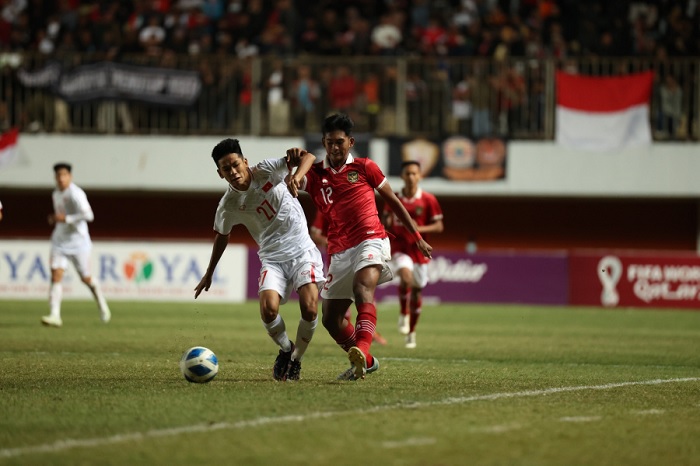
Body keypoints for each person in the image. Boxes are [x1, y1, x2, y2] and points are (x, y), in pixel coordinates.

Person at [286, 113, 432, 381]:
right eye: (329, 142)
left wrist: (417, 236)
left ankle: (362, 349)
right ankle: (366, 361)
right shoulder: (316, 174)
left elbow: (395, 202)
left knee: (362, 288)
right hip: (339, 250)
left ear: (350, 142)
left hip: (371, 238)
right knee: (330, 318)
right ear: (323, 142)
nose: (335, 148)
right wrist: (294, 169)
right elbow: (294, 179)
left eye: (340, 142)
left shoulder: (366, 167)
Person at [194, 138, 325, 382]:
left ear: (245, 162)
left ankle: (296, 360)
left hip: (302, 251)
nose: (233, 172)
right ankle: (286, 349)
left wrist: (296, 176)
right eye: (226, 169)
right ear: (220, 174)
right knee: (268, 310)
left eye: (235, 165)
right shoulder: (228, 205)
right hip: (272, 258)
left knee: (309, 307)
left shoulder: (266, 169)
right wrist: (209, 272)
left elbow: (308, 157)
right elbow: (222, 236)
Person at [42, 163, 111, 328]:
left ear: (70, 177)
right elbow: (61, 215)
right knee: (56, 276)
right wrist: (56, 219)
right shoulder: (56, 194)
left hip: (79, 243)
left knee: (86, 279)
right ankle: (55, 315)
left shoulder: (76, 193)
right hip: (60, 241)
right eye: (58, 175)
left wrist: (66, 219)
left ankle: (102, 304)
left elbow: (89, 215)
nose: (61, 178)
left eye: (64, 175)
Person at [383, 161, 443, 348]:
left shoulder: (428, 199)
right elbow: (386, 221)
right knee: (406, 278)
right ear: (402, 176)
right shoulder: (394, 198)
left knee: (417, 291)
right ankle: (403, 314)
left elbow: (439, 226)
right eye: (407, 173)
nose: (410, 177)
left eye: (414, 173)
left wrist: (419, 228)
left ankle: (412, 332)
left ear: (420, 176)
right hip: (400, 248)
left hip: (420, 250)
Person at [309, 209, 387, 346]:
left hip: (359, 252)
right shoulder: (326, 208)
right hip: (336, 258)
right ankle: (353, 335)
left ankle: (368, 335)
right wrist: (330, 242)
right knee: (339, 303)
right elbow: (315, 234)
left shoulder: (356, 203)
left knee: (365, 293)